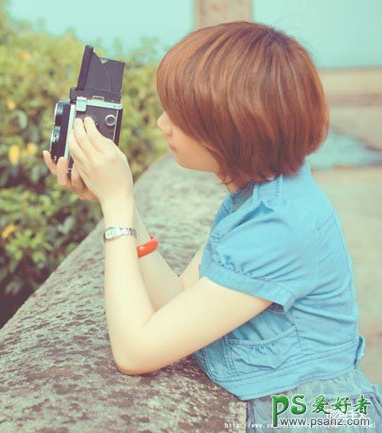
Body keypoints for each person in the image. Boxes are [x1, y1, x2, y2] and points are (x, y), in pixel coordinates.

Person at [42, 21, 382, 432]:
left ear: (232, 128)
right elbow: (175, 304)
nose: (162, 125)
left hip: (321, 416)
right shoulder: (260, 196)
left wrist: (116, 207)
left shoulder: (281, 224)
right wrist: (122, 205)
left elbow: (135, 352)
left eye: (181, 117)